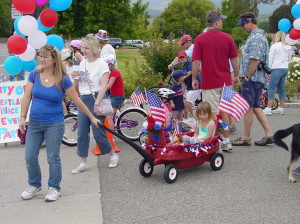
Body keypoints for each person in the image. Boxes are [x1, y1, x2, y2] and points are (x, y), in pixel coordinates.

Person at [19, 44, 100, 202]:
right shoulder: (34, 75)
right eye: (40, 56)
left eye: (45, 57)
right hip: (35, 122)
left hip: (54, 124)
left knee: (52, 157)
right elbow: (27, 96)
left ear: (54, 59)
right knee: (29, 156)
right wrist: (22, 117)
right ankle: (34, 184)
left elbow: (77, 100)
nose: (42, 59)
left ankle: (54, 187)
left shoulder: (63, 79)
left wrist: (92, 117)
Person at [191, 10, 240, 151]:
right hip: (225, 81)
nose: (222, 23)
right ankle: (226, 141)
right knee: (224, 112)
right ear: (217, 22)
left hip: (209, 82)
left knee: (212, 113)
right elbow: (234, 60)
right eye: (221, 20)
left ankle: (213, 143)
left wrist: (194, 78)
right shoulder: (227, 38)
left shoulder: (200, 39)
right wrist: (236, 76)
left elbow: (196, 61)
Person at [71, 34, 119, 174]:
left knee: (98, 132)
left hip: (96, 98)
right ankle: (83, 162)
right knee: (81, 133)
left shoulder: (102, 64)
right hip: (84, 98)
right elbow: (82, 81)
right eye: (83, 48)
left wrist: (97, 104)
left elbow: (103, 86)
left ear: (94, 49)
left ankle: (112, 155)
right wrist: (76, 81)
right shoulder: (82, 63)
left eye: (87, 48)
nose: (84, 51)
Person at [232, 11, 273, 146]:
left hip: (253, 77)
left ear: (250, 21)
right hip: (258, 77)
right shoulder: (259, 36)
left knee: (248, 107)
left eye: (243, 24)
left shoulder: (256, 37)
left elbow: (255, 60)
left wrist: (248, 77)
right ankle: (268, 134)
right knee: (255, 106)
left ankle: (245, 137)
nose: (242, 27)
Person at [263, 31, 292, 116]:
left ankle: (269, 108)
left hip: (276, 68)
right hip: (284, 68)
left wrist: (268, 68)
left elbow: (270, 58)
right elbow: (289, 58)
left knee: (271, 88)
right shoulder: (288, 47)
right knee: (281, 88)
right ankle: (281, 108)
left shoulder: (274, 46)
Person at [101, 54, 125, 130]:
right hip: (113, 96)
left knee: (108, 117)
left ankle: (111, 136)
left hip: (117, 97)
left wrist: (100, 90)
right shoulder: (110, 72)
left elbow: (109, 86)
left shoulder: (115, 73)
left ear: (110, 64)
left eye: (105, 64)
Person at [177, 50, 201, 121]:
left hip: (195, 87)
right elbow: (183, 82)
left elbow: (191, 71)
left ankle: (192, 117)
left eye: (183, 57)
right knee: (184, 103)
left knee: (187, 102)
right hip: (189, 87)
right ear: (178, 59)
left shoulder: (189, 63)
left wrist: (184, 76)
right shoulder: (183, 66)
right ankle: (185, 118)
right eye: (180, 58)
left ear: (186, 57)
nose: (182, 59)